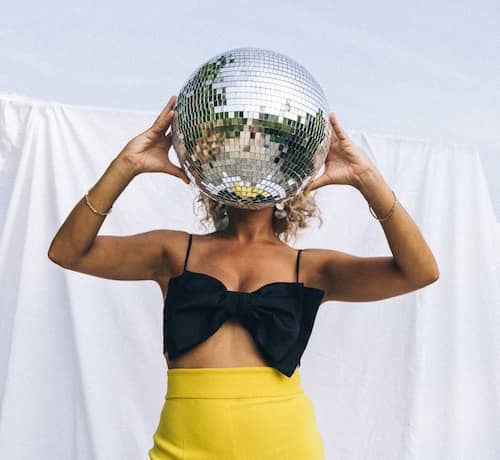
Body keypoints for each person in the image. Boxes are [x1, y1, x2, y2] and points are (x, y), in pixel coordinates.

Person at [48, 95, 440, 459]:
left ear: (288, 174)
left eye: (265, 156)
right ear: (213, 167)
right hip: (182, 448)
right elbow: (67, 251)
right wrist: (126, 165)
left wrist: (366, 177)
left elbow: (420, 271)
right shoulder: (172, 251)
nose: (250, 167)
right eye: (237, 153)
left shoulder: (313, 267)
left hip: (286, 445)